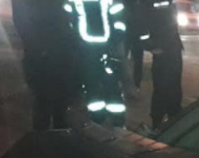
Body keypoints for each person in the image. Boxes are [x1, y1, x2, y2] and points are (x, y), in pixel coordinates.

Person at [11, 0, 78, 130]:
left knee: (58, 99)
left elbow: (69, 15)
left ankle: (57, 130)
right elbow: (22, 21)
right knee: (43, 100)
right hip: (42, 54)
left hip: (57, 52)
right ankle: (46, 133)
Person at [65, 0, 128, 126]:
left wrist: (116, 40)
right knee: (95, 88)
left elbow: (119, 19)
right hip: (90, 52)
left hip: (100, 51)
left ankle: (112, 122)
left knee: (106, 87)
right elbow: (67, 24)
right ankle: (102, 121)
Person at [139, 0, 183, 129]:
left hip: (173, 49)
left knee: (175, 87)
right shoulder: (148, 3)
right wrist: (151, 46)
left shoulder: (168, 2)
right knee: (162, 88)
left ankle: (174, 117)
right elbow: (140, 24)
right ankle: (157, 123)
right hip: (162, 51)